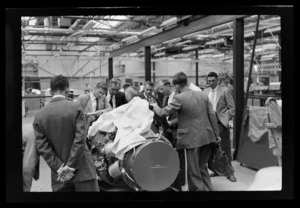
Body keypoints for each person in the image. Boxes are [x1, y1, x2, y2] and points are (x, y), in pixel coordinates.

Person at [150, 71, 220, 191]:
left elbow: (163, 112)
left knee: (193, 170)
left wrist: (154, 105)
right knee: (202, 167)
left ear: (177, 85)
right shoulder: (203, 95)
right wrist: (216, 135)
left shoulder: (180, 98)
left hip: (192, 139)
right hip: (208, 136)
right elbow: (212, 116)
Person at [33, 75, 99, 192]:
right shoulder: (76, 108)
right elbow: (80, 140)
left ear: (51, 91)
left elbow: (43, 147)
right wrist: (71, 166)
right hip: (83, 172)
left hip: (60, 177)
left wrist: (60, 167)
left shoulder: (39, 116)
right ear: (67, 89)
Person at [204, 71, 237, 182]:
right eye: (209, 81)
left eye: (213, 81)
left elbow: (232, 109)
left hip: (221, 123)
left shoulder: (225, 91)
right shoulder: (205, 91)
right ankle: (216, 170)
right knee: (212, 148)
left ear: (217, 80)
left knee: (225, 148)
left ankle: (230, 173)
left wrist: (225, 119)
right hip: (208, 124)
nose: (211, 83)